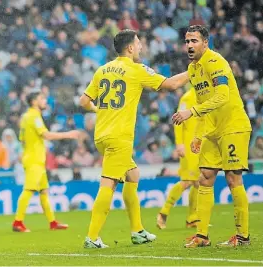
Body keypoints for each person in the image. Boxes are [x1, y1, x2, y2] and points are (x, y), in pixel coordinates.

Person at [79, 29, 189, 248]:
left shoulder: (103, 69)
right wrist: (195, 69)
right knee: (108, 184)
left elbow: (83, 101)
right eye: (138, 43)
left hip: (102, 134)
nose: (141, 47)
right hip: (119, 136)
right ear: (130, 48)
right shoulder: (136, 69)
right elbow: (171, 84)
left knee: (133, 175)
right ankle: (92, 237)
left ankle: (137, 230)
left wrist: (99, 110)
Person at [172, 25, 252, 248]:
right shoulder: (193, 69)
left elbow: (222, 97)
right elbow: (201, 103)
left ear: (205, 43)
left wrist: (191, 113)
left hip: (233, 126)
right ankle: (202, 236)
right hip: (212, 130)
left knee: (232, 179)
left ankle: (243, 236)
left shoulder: (215, 62)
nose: (189, 45)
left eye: (194, 41)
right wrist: (198, 134)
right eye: (187, 41)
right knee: (204, 177)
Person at [12, 90, 80, 232]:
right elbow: (46, 135)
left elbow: (22, 139)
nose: (45, 101)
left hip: (33, 158)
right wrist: (68, 134)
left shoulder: (25, 117)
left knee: (44, 191)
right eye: (42, 98)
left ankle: (52, 222)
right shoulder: (34, 116)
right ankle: (18, 222)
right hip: (34, 160)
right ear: (34, 102)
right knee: (29, 190)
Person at [157, 88, 200, 229]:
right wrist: (179, 143)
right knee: (187, 181)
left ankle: (192, 218)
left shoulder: (206, 96)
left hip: (199, 146)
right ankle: (163, 212)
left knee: (198, 182)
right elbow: (178, 121)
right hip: (188, 147)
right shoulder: (187, 97)